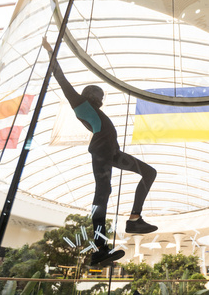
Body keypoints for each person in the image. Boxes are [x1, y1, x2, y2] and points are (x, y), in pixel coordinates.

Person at [42, 37, 158, 265]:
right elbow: (60, 78)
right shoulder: (78, 102)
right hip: (102, 153)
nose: (101, 100)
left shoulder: (93, 109)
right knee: (102, 194)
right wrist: (50, 50)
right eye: (99, 96)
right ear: (91, 95)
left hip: (112, 153)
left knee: (149, 172)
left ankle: (135, 218)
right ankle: (99, 248)